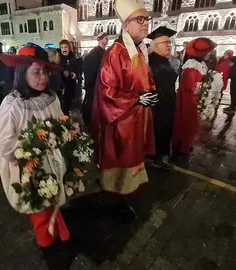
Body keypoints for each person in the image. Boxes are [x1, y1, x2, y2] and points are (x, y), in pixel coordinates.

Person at [0, 44, 69, 248]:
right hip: (30, 168)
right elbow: (5, 145)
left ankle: (58, 230)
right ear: (21, 73)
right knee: (39, 206)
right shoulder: (12, 105)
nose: (43, 77)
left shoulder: (50, 97)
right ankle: (47, 241)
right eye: (36, 72)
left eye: (45, 71)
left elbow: (61, 121)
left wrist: (65, 130)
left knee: (53, 198)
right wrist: (31, 147)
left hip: (52, 161)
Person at [91, 0, 157, 223]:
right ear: (125, 26)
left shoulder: (137, 51)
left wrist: (151, 94)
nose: (145, 24)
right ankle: (115, 200)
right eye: (140, 20)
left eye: (147, 20)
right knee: (119, 163)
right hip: (121, 121)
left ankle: (125, 197)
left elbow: (146, 80)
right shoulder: (115, 53)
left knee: (132, 162)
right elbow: (107, 93)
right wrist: (136, 99)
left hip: (136, 119)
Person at [172, 38, 217, 157]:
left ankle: (182, 144)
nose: (209, 54)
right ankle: (184, 147)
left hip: (192, 99)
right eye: (207, 52)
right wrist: (205, 89)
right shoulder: (192, 68)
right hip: (190, 101)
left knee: (188, 123)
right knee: (189, 123)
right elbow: (192, 88)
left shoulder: (198, 65)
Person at [147, 26, 178, 168]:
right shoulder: (151, 62)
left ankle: (161, 156)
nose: (169, 46)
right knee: (158, 132)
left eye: (169, 43)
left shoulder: (164, 60)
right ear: (155, 46)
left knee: (165, 131)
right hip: (157, 108)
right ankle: (157, 157)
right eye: (165, 43)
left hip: (167, 105)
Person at [82, 32, 108, 126]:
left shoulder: (103, 52)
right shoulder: (95, 53)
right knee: (92, 103)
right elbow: (89, 67)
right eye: (105, 38)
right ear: (100, 39)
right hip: (94, 83)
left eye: (107, 37)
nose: (107, 39)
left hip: (99, 82)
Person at [58, 39, 78, 115]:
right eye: (62, 47)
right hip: (62, 84)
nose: (64, 49)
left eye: (65, 47)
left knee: (69, 101)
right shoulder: (59, 58)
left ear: (69, 48)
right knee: (62, 103)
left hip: (70, 84)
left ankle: (66, 115)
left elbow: (77, 69)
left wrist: (75, 74)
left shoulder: (73, 58)